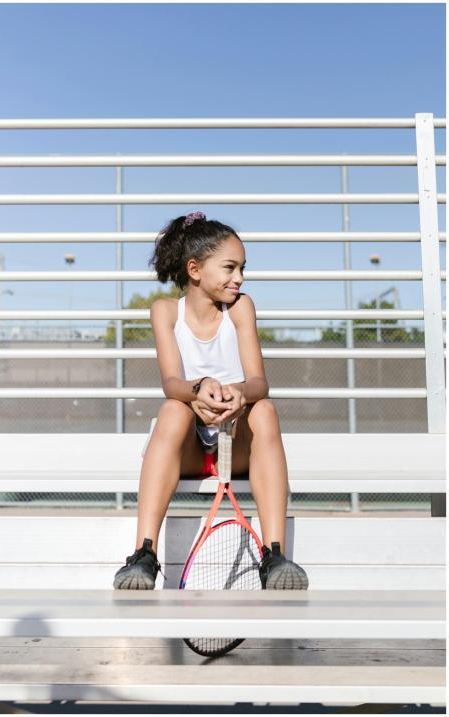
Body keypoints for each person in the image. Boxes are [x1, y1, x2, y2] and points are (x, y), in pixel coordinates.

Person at [113, 211, 309, 591]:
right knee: (172, 410)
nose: (239, 278)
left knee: (264, 410)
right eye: (230, 267)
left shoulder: (240, 308)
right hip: (186, 449)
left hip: (234, 447)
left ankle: (274, 555)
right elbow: (172, 384)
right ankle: (143, 555)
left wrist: (240, 394)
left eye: (242, 268)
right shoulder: (165, 311)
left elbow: (259, 382)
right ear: (195, 269)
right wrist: (199, 388)